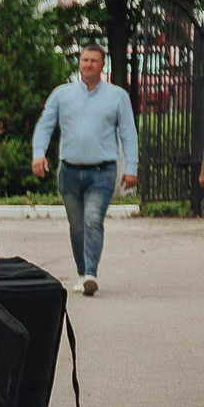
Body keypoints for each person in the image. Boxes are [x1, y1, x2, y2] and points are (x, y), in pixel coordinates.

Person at [30, 45, 138, 293]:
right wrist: (39, 154)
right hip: (68, 172)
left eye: (94, 61)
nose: (88, 64)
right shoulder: (62, 94)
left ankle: (91, 273)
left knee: (92, 220)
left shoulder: (117, 96)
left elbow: (129, 134)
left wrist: (130, 168)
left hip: (102, 172)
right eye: (85, 60)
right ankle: (82, 272)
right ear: (79, 63)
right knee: (77, 225)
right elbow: (45, 125)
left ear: (102, 65)